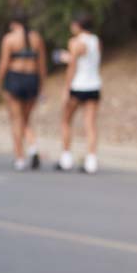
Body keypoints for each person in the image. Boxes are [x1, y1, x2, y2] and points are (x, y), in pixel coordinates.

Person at [0, 11, 46, 171]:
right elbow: (42, 65)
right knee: (25, 119)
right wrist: (41, 86)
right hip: (32, 79)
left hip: (15, 79)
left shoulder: (9, 39)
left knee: (16, 120)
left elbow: (4, 64)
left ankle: (19, 158)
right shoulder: (36, 38)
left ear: (13, 23)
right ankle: (33, 148)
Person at [56, 13, 102, 173]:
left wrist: (66, 88)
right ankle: (91, 160)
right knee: (90, 124)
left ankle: (66, 157)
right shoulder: (95, 41)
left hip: (79, 85)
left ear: (77, 25)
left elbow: (73, 66)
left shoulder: (76, 43)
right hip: (94, 84)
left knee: (66, 120)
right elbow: (87, 59)